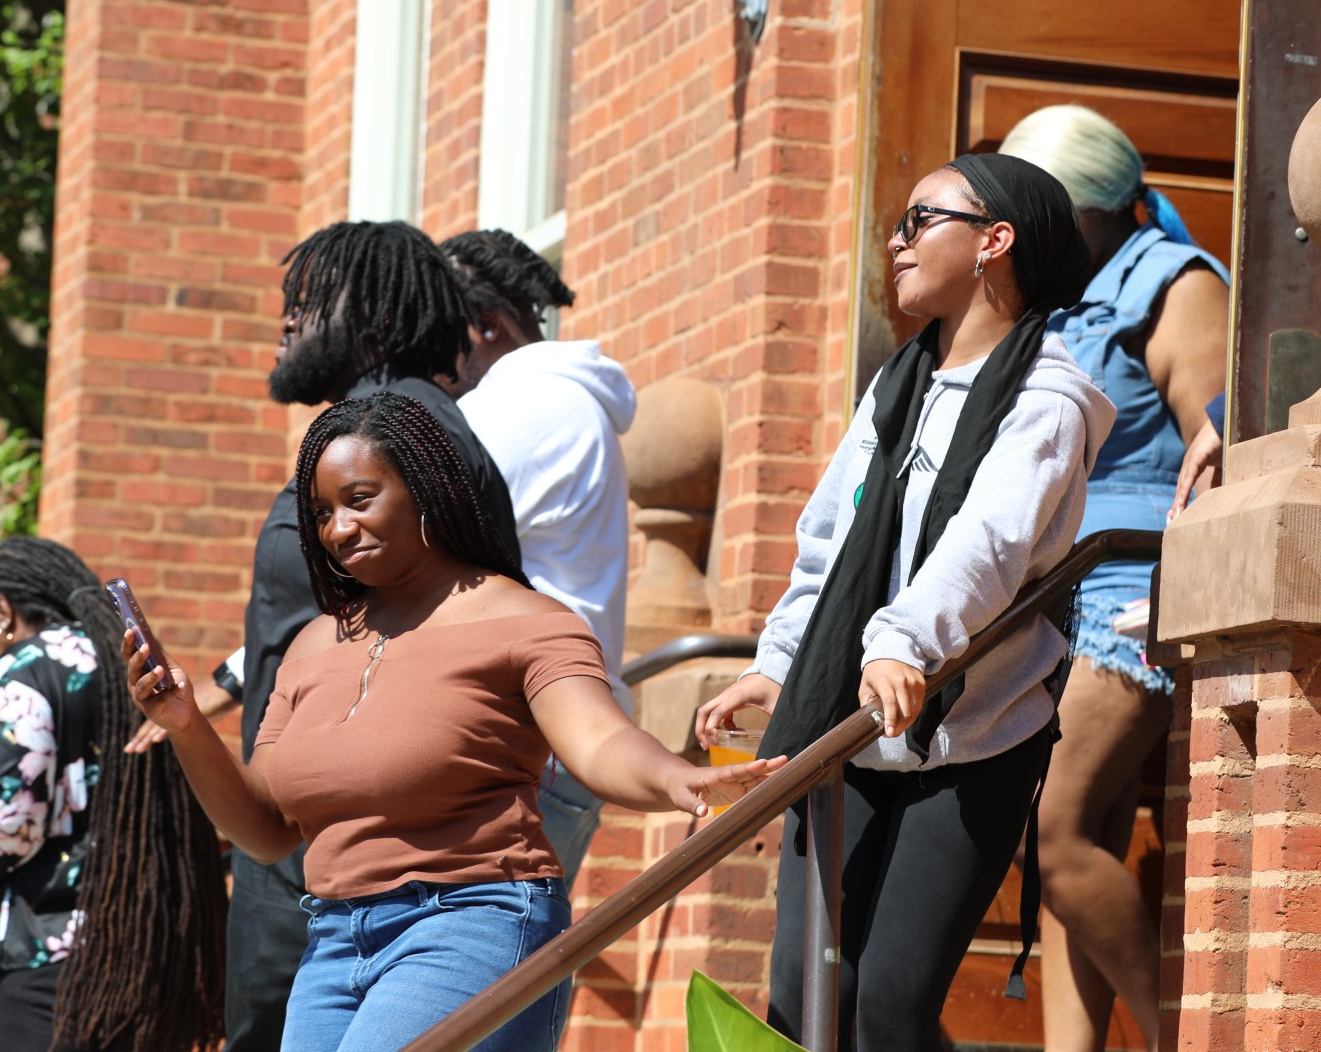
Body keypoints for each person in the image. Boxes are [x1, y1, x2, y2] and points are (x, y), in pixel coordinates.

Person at [126, 391, 782, 1050]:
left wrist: (675, 780)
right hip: (331, 941)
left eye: (360, 499)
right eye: (322, 512)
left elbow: (600, 737)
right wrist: (186, 725)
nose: (338, 529)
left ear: (425, 491)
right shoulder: (312, 645)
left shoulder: (525, 620)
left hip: (471, 922)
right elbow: (266, 830)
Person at [696, 152, 1114, 1052]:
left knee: (888, 1007)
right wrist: (780, 667)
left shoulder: (1050, 399)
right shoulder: (897, 386)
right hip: (851, 725)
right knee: (805, 992)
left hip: (972, 735)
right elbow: (832, 544)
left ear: (994, 241)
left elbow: (989, 545)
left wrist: (902, 643)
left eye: (922, 220)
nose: (898, 239)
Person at [215, 220, 522, 1052]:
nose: (288, 321)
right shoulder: (377, 438)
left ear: (377, 316)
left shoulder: (413, 445)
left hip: (360, 866)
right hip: (312, 842)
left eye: (307, 303)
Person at [1001, 104, 1231, 1052]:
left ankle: (1177, 1039)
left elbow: (1219, 442)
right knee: (1063, 852)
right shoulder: (1059, 296)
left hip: (1129, 594)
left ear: (1088, 206)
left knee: (1057, 836)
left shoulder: (1174, 284)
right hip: (1053, 598)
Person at [0, 537, 228, 1052]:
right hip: (145, 938)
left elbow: (3, 826)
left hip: (52, 962)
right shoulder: (121, 659)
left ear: (1, 611)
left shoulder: (23, 670)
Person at [441, 227, 637, 881]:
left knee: (497, 973)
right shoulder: (544, 400)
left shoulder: (526, 405)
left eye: (439, 327)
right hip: (543, 736)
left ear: (490, 324)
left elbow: (413, 543)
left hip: (527, 747)